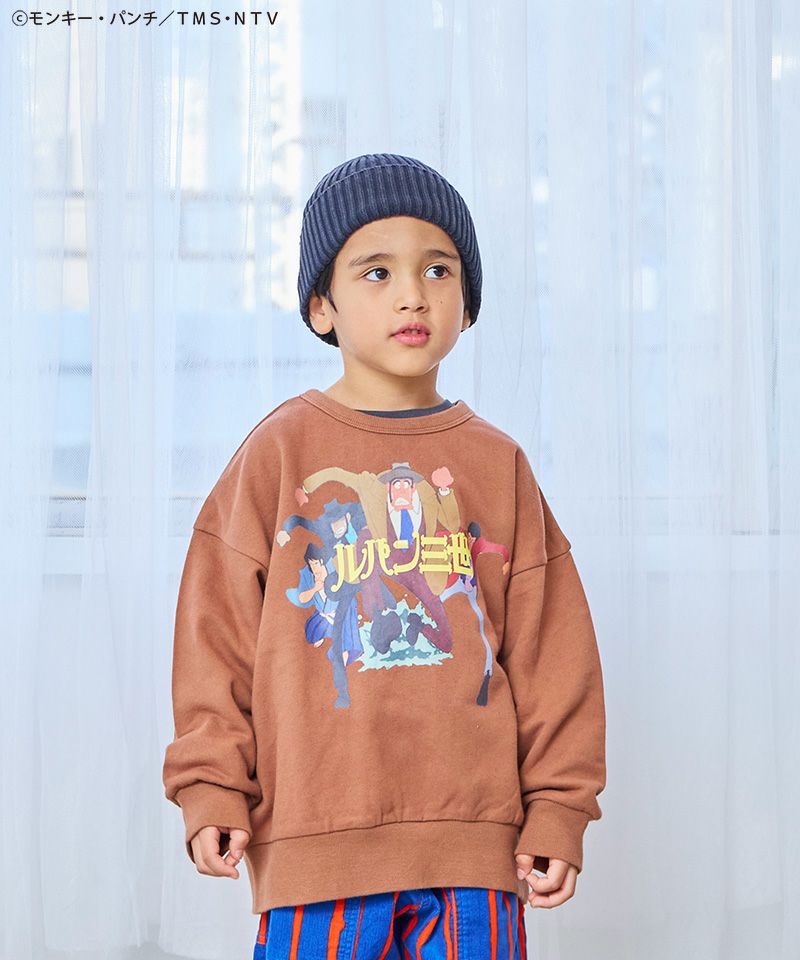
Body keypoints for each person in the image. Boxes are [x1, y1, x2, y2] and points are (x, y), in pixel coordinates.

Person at [162, 153, 607, 959]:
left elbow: (553, 651)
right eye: (377, 272)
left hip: (475, 847)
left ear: (467, 302)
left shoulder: (497, 464)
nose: (413, 294)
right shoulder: (278, 454)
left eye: (439, 269)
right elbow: (214, 632)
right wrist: (211, 783)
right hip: (314, 844)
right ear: (321, 306)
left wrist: (559, 806)